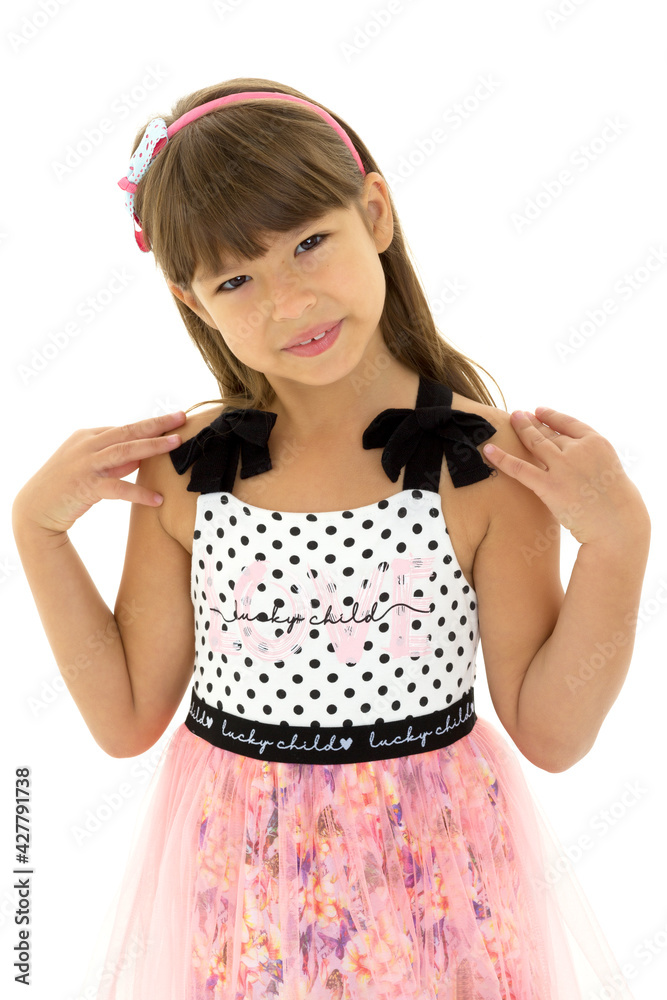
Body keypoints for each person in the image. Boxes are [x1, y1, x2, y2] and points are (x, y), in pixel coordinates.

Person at [11, 77, 651, 999]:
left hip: (433, 893)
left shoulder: (477, 464)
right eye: (236, 279)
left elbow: (551, 734)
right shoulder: (193, 469)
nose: (288, 301)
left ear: (375, 213)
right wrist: (37, 530)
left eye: (309, 243)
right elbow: (125, 719)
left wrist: (617, 541)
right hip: (246, 898)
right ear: (193, 301)